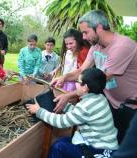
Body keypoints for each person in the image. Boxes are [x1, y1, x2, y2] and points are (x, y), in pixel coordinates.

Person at [51, 10, 137, 143]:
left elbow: (98, 80)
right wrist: (64, 77)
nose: (83, 37)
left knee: (121, 145)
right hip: (110, 101)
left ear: (99, 27)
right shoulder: (96, 46)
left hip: (130, 106)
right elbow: (82, 71)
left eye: (86, 32)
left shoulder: (122, 46)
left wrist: (68, 95)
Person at [27, 68, 118, 158]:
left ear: (85, 88)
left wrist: (39, 111)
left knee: (58, 148)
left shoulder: (86, 106)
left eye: (78, 82)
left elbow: (61, 122)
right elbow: (79, 114)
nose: (75, 84)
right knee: (61, 141)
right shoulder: (99, 98)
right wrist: (64, 105)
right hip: (101, 143)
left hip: (99, 149)